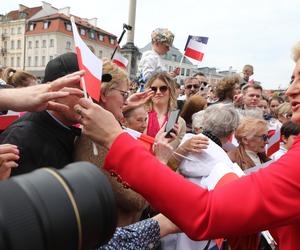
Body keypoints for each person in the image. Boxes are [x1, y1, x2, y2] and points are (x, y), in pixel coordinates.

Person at [74, 42, 300, 249]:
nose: (290, 90)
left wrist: (123, 142)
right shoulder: (127, 118)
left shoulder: (176, 120)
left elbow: (207, 211)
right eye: (292, 79)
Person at [0, 53, 84, 176]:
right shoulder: (22, 136)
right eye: (81, 89)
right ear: (51, 91)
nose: (89, 98)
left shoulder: (68, 129)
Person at [145, 72, 186, 149]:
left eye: (163, 88)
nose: (158, 92)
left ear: (170, 91)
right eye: (153, 89)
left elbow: (177, 154)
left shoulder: (179, 122)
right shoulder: (141, 116)